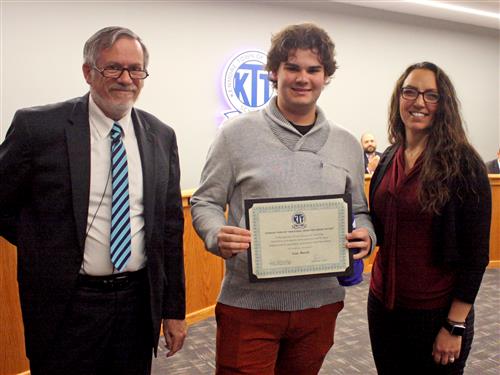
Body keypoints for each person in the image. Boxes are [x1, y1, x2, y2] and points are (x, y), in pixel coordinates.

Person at [0, 26, 186, 374]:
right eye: (113, 68)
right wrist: (42, 243)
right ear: (88, 72)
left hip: (136, 303)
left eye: (136, 69)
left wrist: (174, 309)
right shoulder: (37, 128)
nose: (126, 78)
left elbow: (170, 229)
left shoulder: (160, 135)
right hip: (66, 304)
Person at [191, 23, 375, 374]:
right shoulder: (235, 135)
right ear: (274, 72)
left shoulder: (347, 143)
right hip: (249, 304)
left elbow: (361, 211)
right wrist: (216, 234)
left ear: (325, 77)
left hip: (320, 304)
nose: (302, 78)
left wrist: (367, 234)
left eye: (313, 69)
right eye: (292, 67)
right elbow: (205, 202)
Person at [368, 62, 491, 374]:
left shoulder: (465, 165)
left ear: (443, 104)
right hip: (384, 306)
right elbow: (380, 227)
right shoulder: (388, 157)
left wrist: (455, 326)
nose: (419, 102)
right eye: (410, 92)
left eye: (431, 95)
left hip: (437, 313)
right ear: (399, 98)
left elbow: (476, 256)